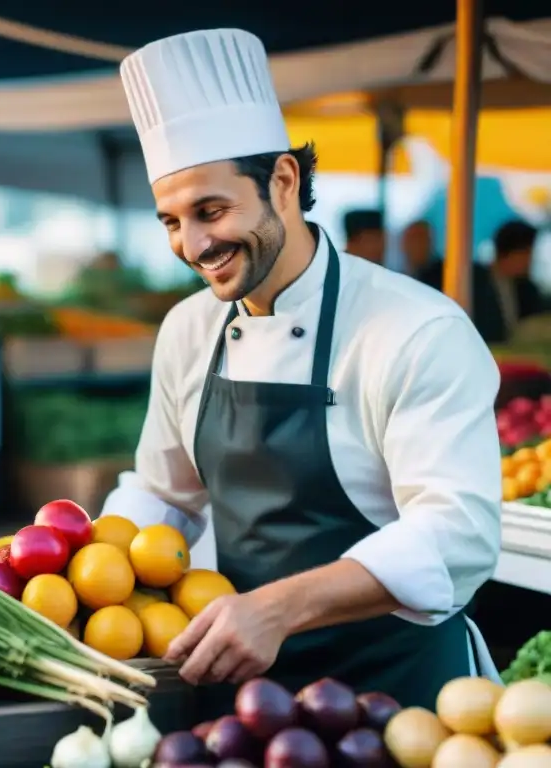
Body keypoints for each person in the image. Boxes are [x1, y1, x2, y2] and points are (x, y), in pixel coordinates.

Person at [103, 28, 501, 707]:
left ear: (282, 181)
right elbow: (165, 495)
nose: (193, 245)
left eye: (211, 210)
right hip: (247, 699)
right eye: (171, 220)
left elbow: (456, 533)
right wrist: (81, 570)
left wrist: (279, 608)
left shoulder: (415, 329)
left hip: (400, 694)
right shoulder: (187, 330)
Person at [487, 219, 546, 340]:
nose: (530, 261)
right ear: (511, 254)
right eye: (527, 254)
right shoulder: (476, 285)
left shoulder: (527, 289)